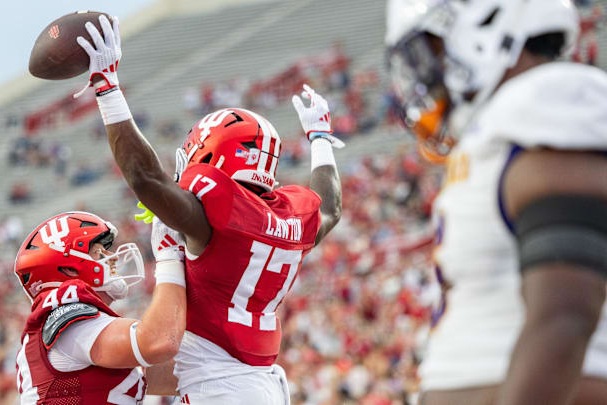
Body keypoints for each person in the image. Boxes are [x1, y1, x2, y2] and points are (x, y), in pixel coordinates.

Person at [74, 15, 342, 404]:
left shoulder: (214, 217)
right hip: (258, 380)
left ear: (211, 152)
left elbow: (145, 177)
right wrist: (320, 138)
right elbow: (330, 208)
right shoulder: (289, 215)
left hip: (222, 389)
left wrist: (107, 87)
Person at [385, 1, 607, 405]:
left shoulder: (554, 101)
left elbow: (567, 314)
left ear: (483, 24)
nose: (428, 70)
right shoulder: (501, 125)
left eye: (433, 48)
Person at [13, 211, 187, 403]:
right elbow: (158, 342)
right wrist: (169, 257)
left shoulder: (87, 335)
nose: (112, 257)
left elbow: (185, 376)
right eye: (99, 252)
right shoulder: (67, 320)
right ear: (69, 269)